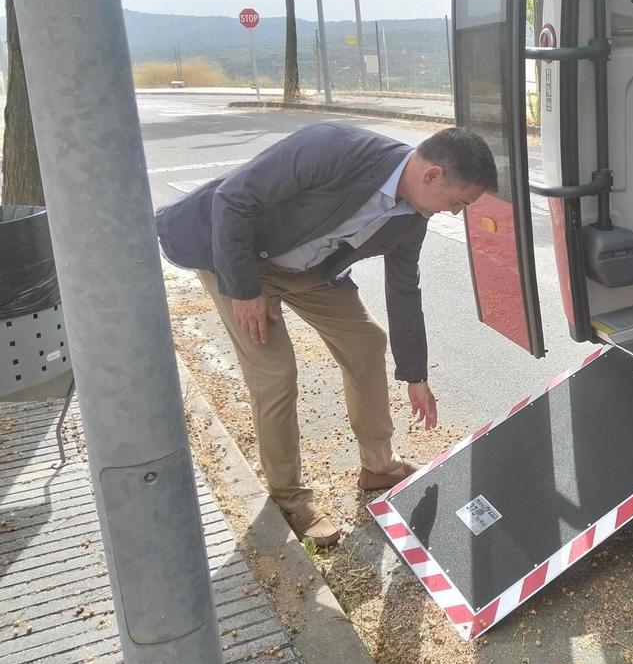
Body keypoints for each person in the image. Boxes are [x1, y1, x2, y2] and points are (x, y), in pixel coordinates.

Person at [156, 123, 497, 548]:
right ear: (432, 175)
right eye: (458, 201)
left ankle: (378, 464)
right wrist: (243, 289)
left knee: (366, 341)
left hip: (311, 273)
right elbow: (233, 198)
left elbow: (404, 290)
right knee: (276, 374)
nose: (456, 212)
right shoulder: (334, 148)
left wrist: (415, 375)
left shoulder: (412, 218)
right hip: (237, 258)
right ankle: (289, 499)